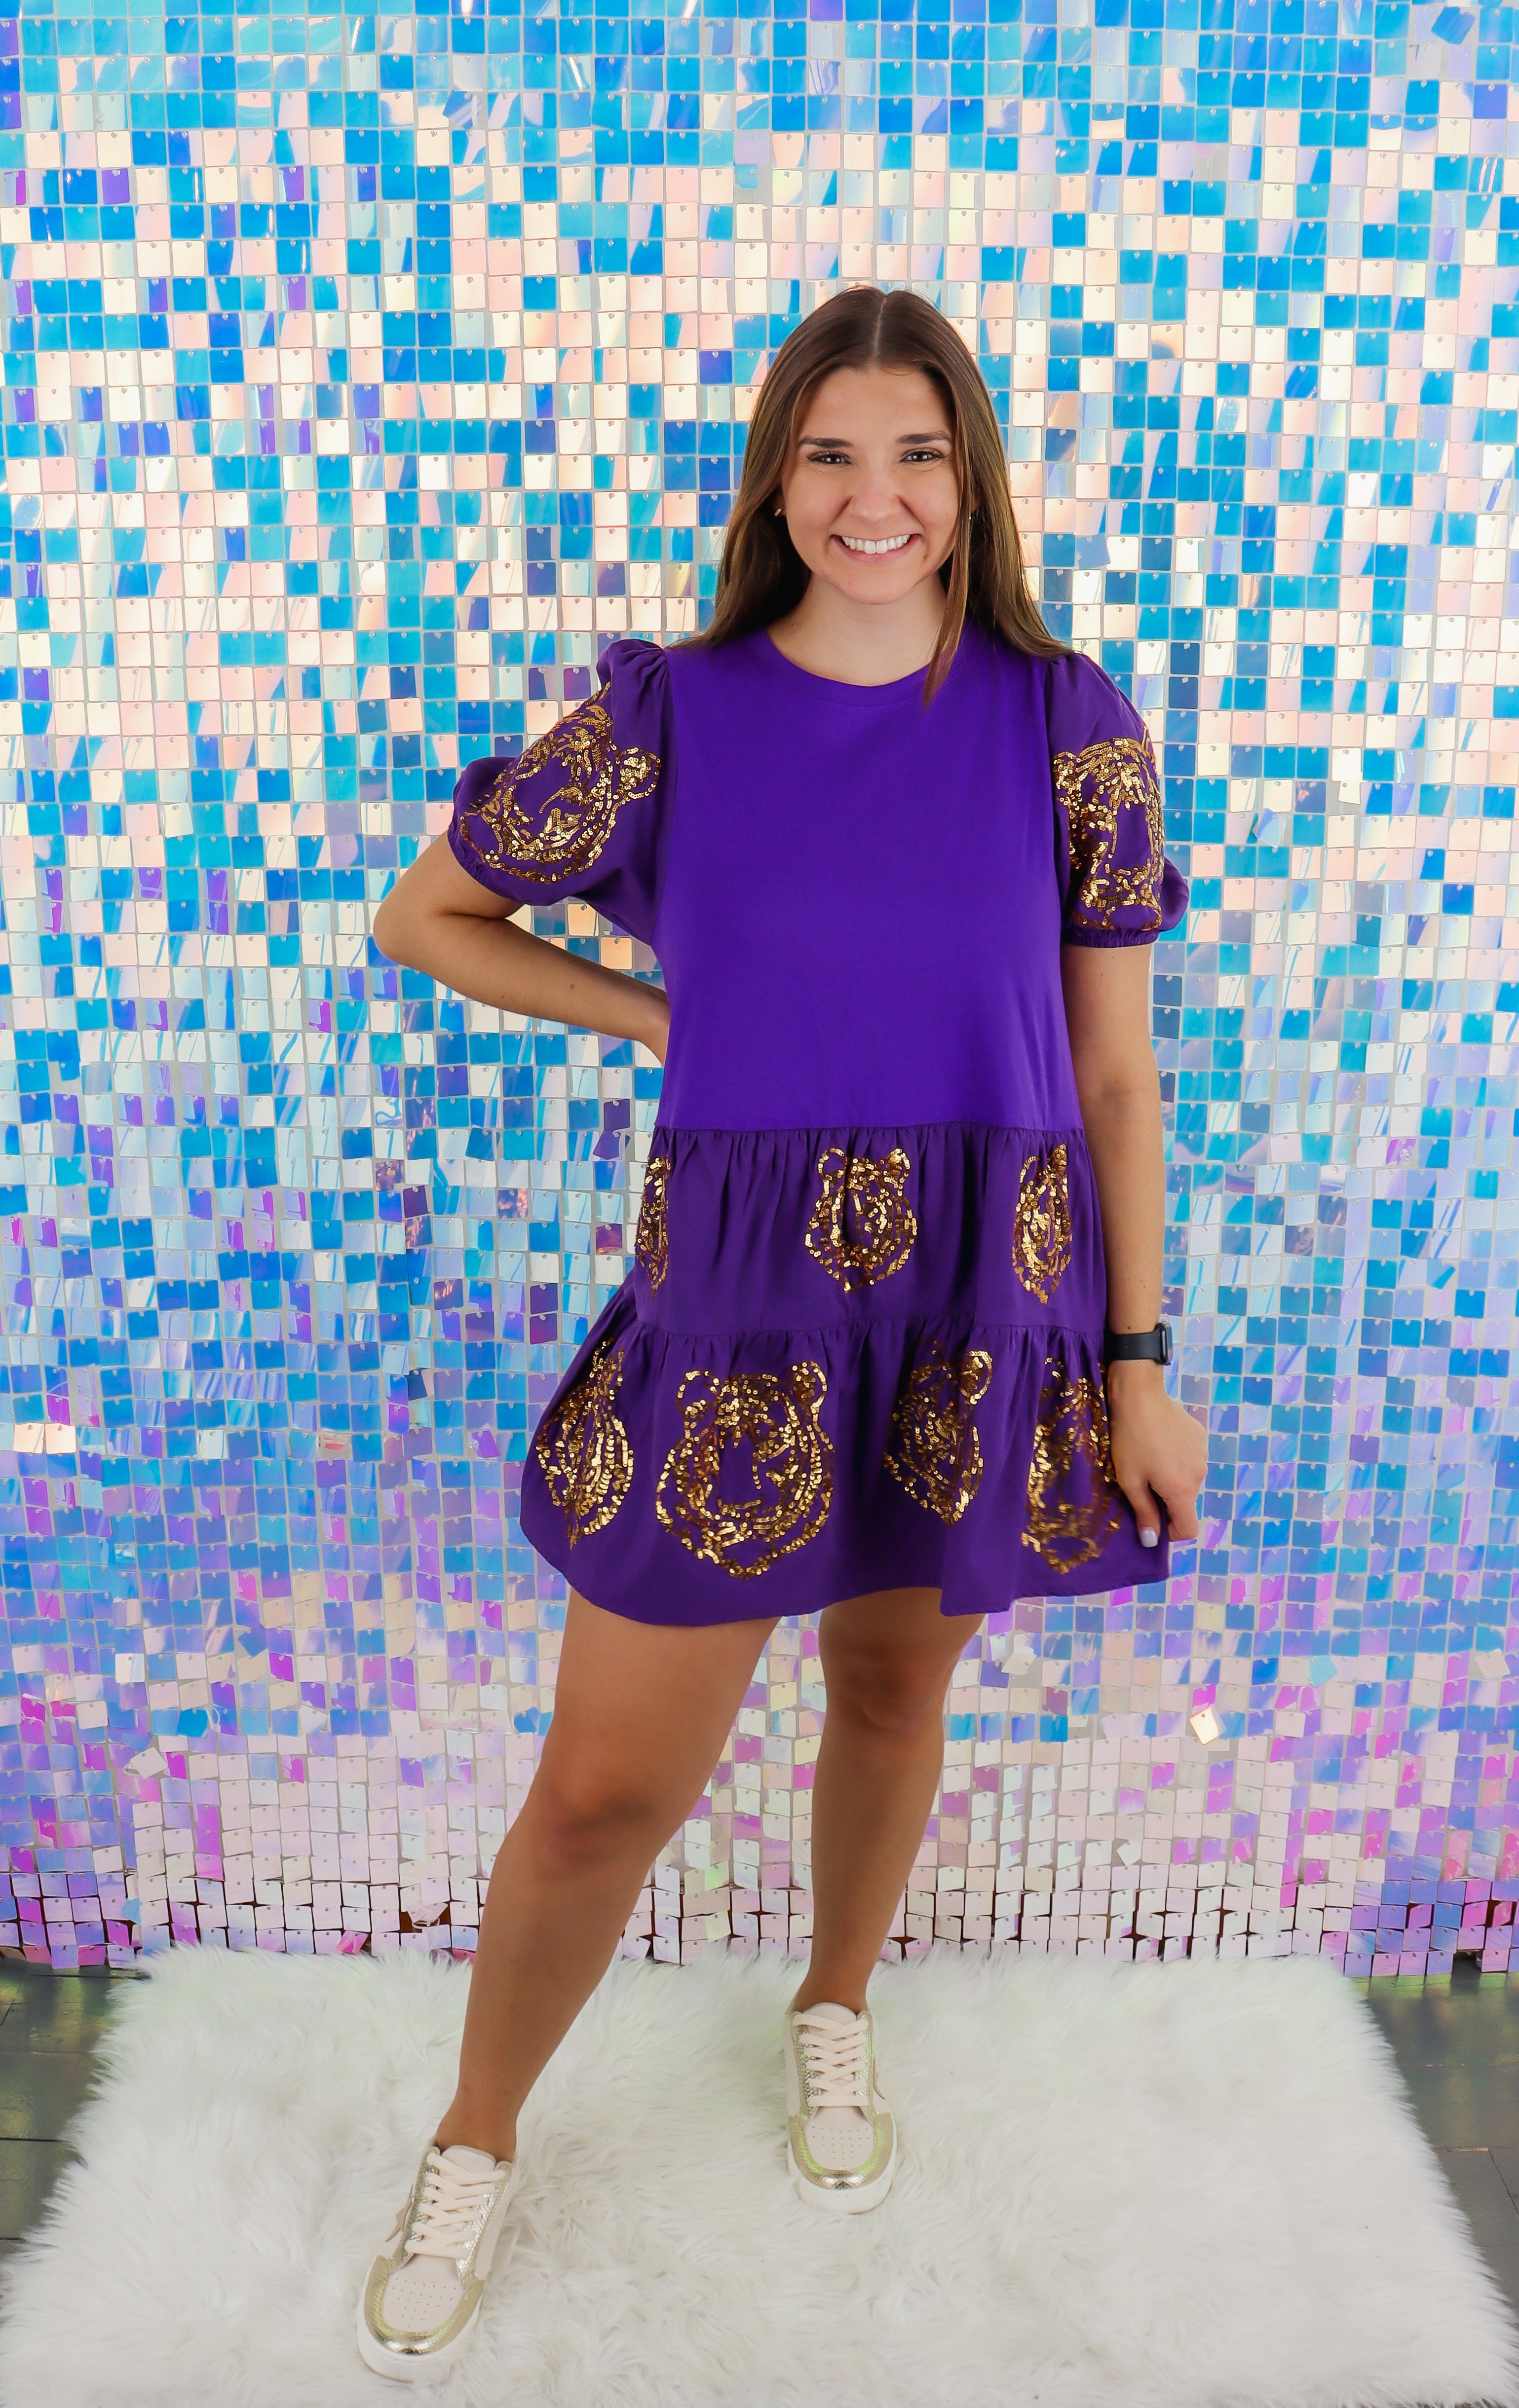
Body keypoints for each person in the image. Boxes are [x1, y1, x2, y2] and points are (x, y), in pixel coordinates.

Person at [355, 282, 1207, 2380]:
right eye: (832, 453)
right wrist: (654, 1014)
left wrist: (1136, 1360)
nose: (874, 495)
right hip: (740, 1315)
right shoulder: (674, 715)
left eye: (917, 452)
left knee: (891, 1691)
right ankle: (475, 2133)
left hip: (979, 1305)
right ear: (776, 482)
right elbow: (427, 914)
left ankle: (835, 2003)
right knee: (599, 1789)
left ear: (971, 480)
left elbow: (1114, 1075)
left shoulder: (1067, 720)